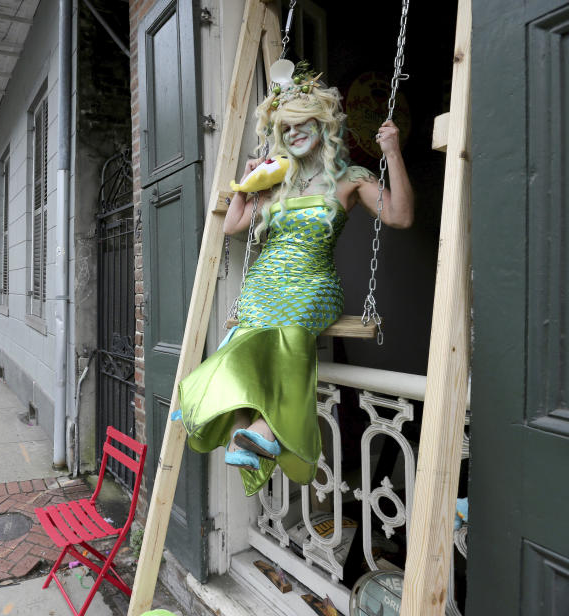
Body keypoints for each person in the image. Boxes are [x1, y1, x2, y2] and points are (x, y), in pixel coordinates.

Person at [176, 61, 414, 497]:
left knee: (281, 336)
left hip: (314, 283)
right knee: (243, 346)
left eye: (304, 123)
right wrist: (248, 184)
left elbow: (399, 216)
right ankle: (247, 433)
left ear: (323, 125)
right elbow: (233, 227)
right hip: (263, 282)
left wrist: (392, 154)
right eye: (286, 128)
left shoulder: (348, 179)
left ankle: (264, 431)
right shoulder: (276, 179)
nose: (295, 133)